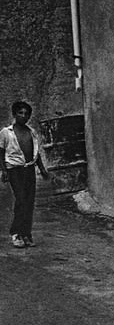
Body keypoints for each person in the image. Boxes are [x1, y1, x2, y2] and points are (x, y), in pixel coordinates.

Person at [0, 102, 50, 248]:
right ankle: (16, 233)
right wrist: (3, 170)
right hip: (14, 170)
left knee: (29, 202)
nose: (24, 116)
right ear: (14, 114)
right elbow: (1, 152)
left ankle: (26, 234)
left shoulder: (31, 132)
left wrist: (42, 169)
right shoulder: (6, 132)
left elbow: (36, 153)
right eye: (20, 113)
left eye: (27, 114)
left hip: (29, 170)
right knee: (21, 199)